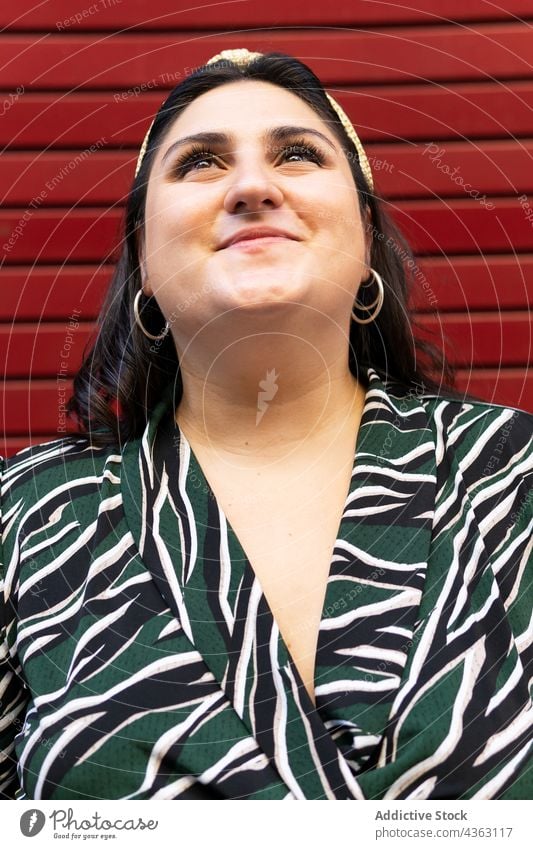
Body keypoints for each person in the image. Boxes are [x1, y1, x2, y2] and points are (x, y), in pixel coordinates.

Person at [0, 48, 531, 801]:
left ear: (365, 237)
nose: (252, 186)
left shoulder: (518, 476)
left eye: (297, 154)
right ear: (144, 261)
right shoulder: (22, 515)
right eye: (201, 164)